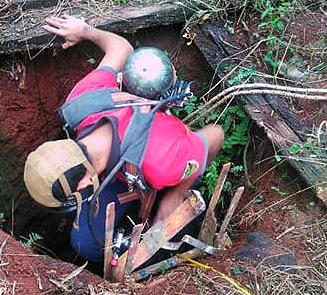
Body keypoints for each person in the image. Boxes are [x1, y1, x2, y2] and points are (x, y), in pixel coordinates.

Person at [23, 15, 224, 262]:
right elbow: (122, 48)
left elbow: (215, 135)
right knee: (86, 245)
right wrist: (84, 31)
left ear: (86, 182)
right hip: (124, 167)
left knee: (161, 237)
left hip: (151, 164)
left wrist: (177, 193)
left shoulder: (161, 162)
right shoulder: (82, 102)